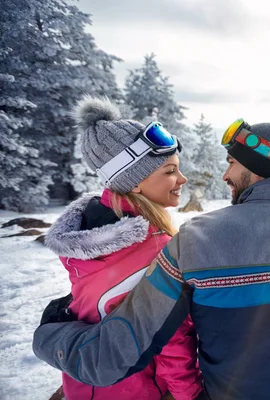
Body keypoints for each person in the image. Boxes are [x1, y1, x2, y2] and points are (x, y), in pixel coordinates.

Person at [33, 118, 270, 400]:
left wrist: (50, 334)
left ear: (254, 167)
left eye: (231, 163)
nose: (225, 175)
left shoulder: (194, 242)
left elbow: (113, 356)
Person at [39, 97, 202, 400]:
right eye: (169, 171)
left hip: (85, 383)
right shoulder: (158, 249)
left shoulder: (86, 227)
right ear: (135, 182)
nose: (182, 179)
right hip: (139, 388)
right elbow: (171, 340)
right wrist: (190, 395)